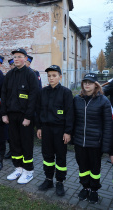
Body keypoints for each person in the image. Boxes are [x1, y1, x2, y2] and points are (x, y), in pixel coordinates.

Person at [72, 73, 112, 203]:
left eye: (90, 82)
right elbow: (72, 120)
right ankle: (85, 187)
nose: (87, 85)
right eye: (85, 82)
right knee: (82, 167)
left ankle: (94, 189)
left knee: (95, 169)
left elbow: (107, 125)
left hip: (95, 143)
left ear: (96, 85)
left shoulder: (104, 101)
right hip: (79, 141)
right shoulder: (77, 99)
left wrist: (106, 145)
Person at [1, 48, 38, 184]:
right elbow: (4, 95)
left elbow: (34, 97)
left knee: (26, 144)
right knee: (15, 143)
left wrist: (28, 117)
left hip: (25, 117)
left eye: (19, 56)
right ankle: (18, 168)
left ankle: (28, 171)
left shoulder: (30, 75)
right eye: (14, 57)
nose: (16, 59)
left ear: (25, 58)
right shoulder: (10, 75)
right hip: (11, 116)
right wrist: (4, 114)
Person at [36, 65, 73, 196]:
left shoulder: (66, 92)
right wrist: (39, 127)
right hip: (46, 129)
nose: (51, 78)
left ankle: (60, 182)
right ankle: (48, 179)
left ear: (60, 77)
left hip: (60, 130)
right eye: (49, 76)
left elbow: (69, 114)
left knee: (61, 157)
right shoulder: (43, 92)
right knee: (47, 156)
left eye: (54, 75)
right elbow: (39, 110)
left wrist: (68, 132)